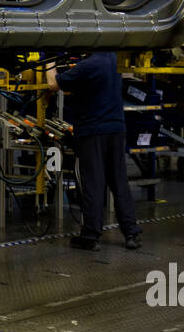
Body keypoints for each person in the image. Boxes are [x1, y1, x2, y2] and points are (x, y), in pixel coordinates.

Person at [47, 53, 141, 251]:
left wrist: (48, 61)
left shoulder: (87, 66)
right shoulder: (114, 59)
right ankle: (131, 233)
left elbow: (53, 84)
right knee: (119, 181)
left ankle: (91, 235)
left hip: (93, 132)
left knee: (93, 182)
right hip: (116, 128)